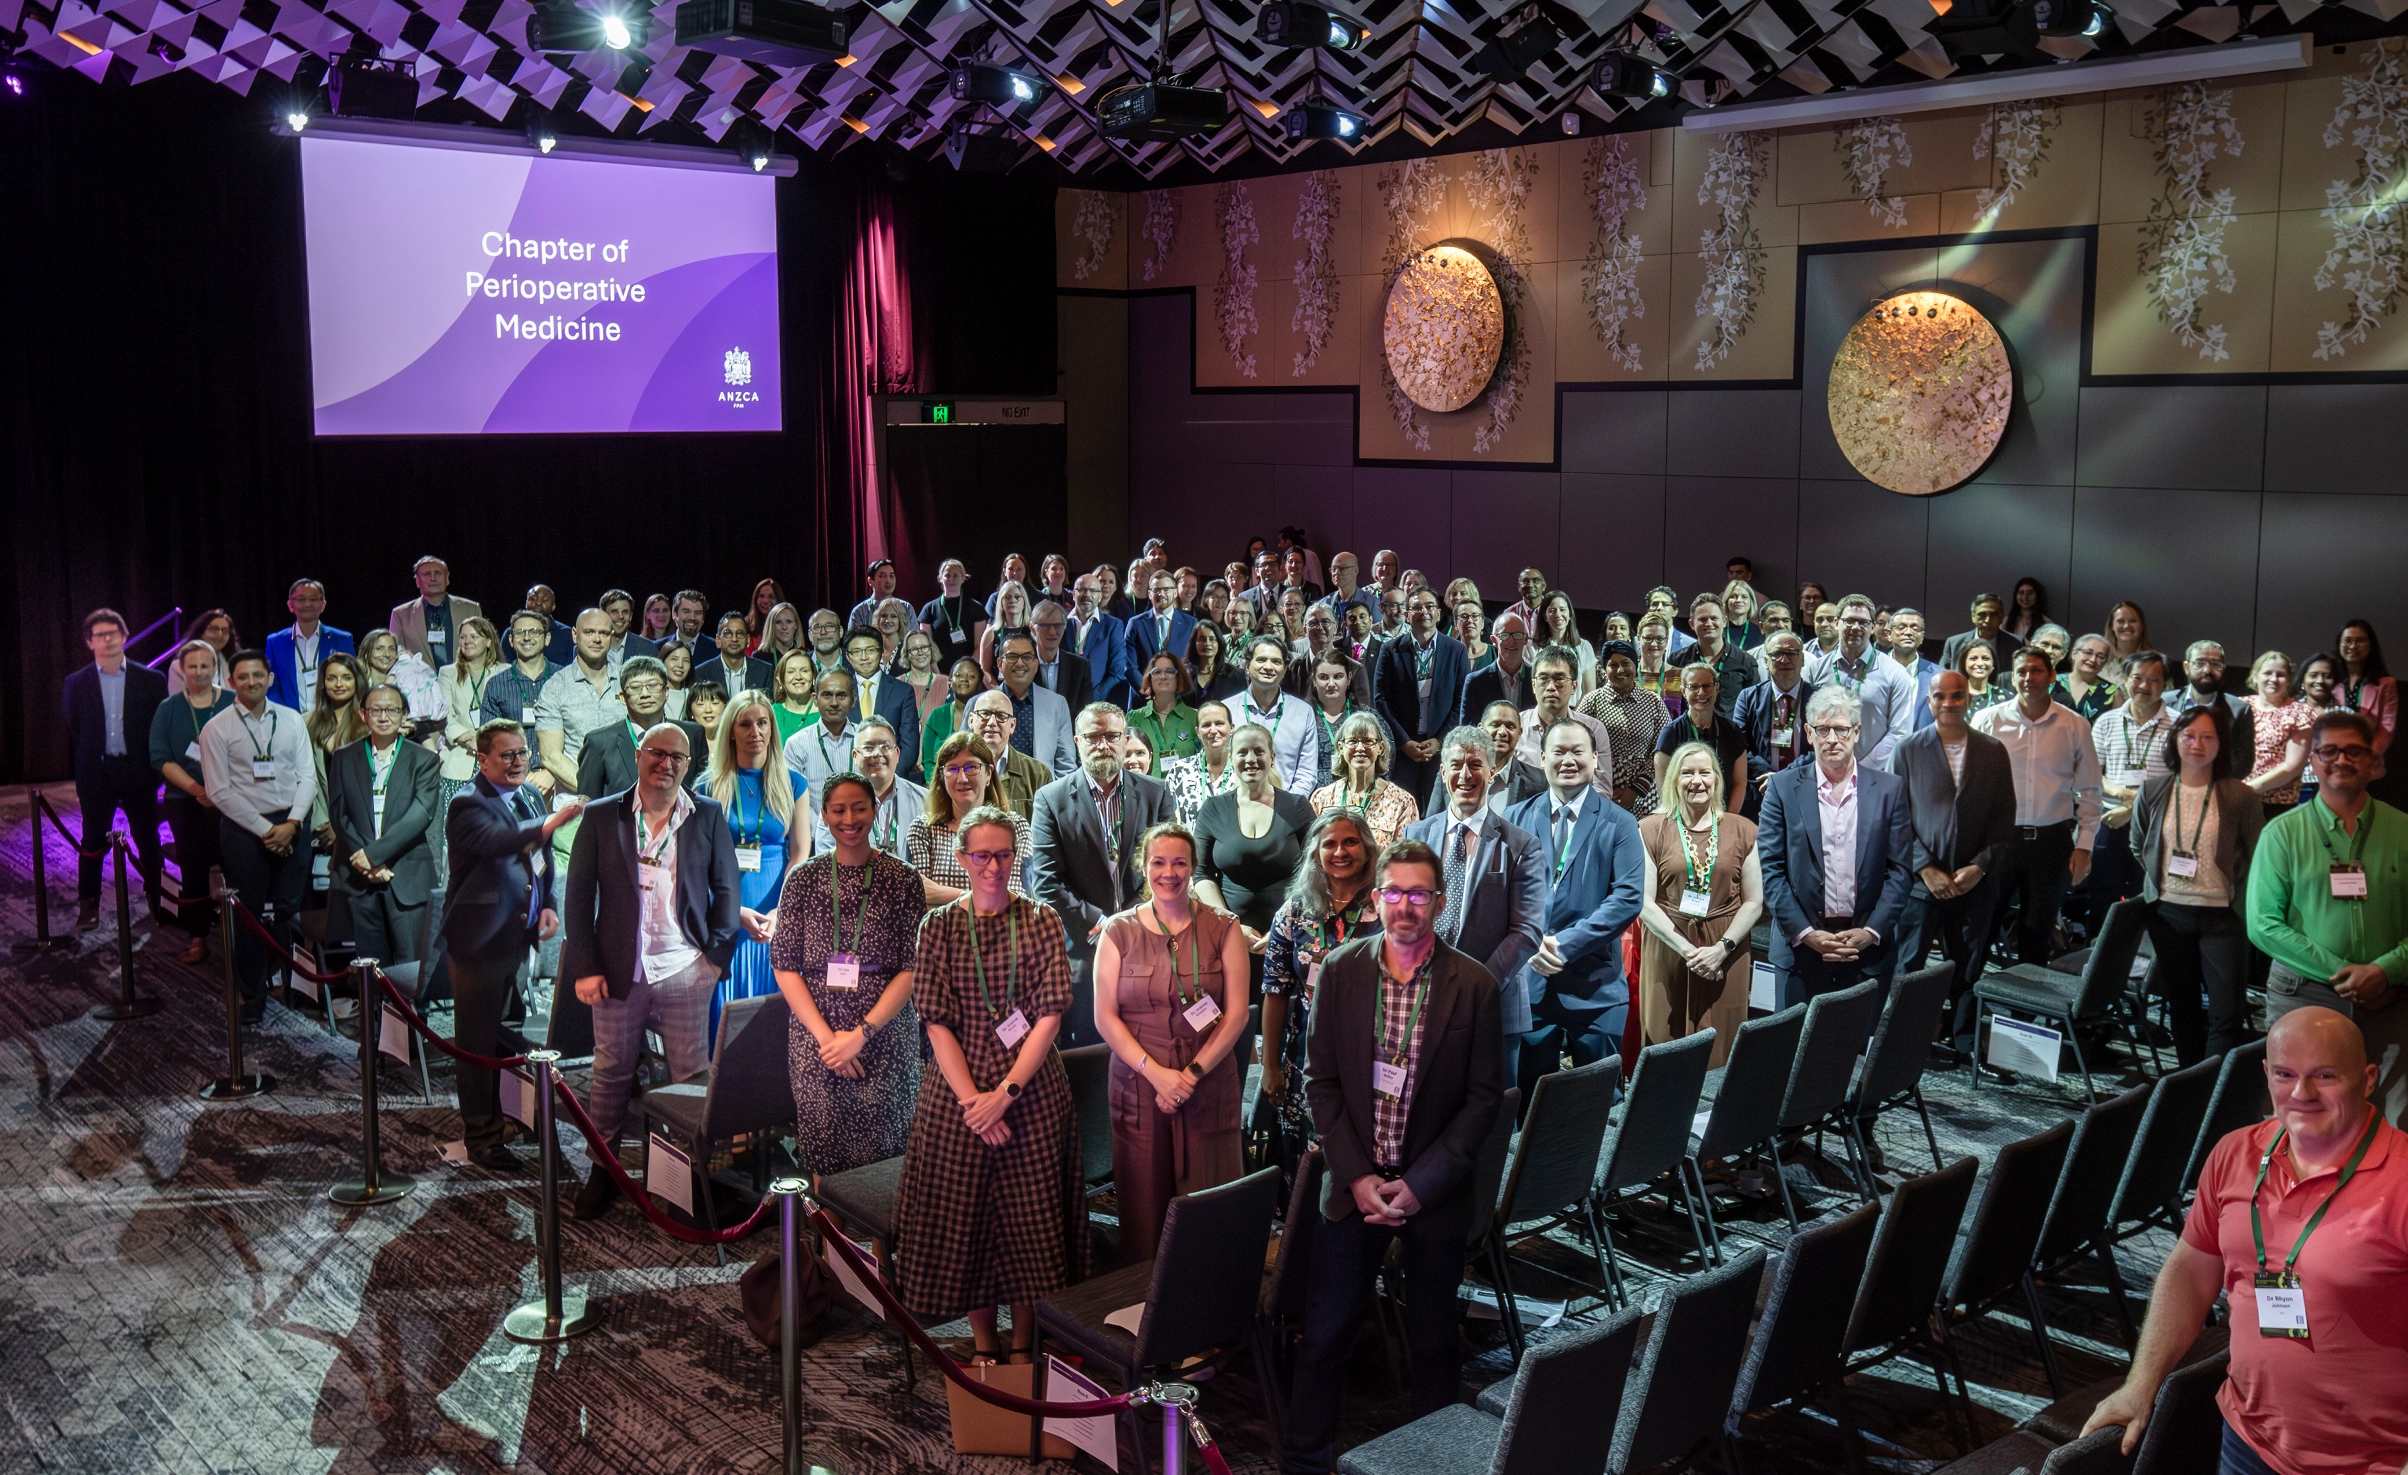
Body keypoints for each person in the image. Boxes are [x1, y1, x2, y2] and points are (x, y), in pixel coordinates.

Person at [2081, 1006, 2408, 1475]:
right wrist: (2140, 1386)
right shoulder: (2235, 1154)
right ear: (2266, 1074)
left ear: (2369, 1078)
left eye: (2326, 1076)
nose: (2302, 1093)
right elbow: (2191, 1273)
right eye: (2285, 1074)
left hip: (2373, 1463)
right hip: (2248, 1442)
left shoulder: (2402, 1181)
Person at [1285, 838, 1503, 1474]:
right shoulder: (1342, 971)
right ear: (1376, 898)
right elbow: (1319, 1083)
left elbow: (1483, 1103)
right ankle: (1304, 1461)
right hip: (1355, 1186)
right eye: (1394, 893)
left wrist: (1421, 1184)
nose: (1405, 906)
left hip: (1430, 1195)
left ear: (1438, 901)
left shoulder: (1475, 986)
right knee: (1325, 1338)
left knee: (1434, 1342)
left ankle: (1427, 1462)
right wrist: (1355, 1177)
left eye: (1419, 894)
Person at [892, 805, 1089, 1363]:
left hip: (1030, 1095)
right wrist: (974, 1103)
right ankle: (983, 1345)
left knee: (1033, 1229)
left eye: (1004, 854)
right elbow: (935, 1021)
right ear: (962, 859)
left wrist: (1004, 1097)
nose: (994, 866)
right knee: (968, 1228)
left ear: (1016, 856)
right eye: (982, 855)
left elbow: (1050, 1016)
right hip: (957, 1098)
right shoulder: (940, 926)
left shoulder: (1042, 919)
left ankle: (1026, 1345)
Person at [561, 722, 742, 1219]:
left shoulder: (706, 814)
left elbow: (727, 889)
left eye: (677, 758)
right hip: (620, 970)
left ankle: (689, 1179)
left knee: (690, 1077)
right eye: (657, 754)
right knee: (610, 1074)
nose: (666, 765)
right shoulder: (602, 815)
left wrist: (715, 962)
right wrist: (586, 967)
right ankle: (604, 1171)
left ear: (689, 766)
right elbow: (577, 898)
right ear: (639, 756)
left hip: (686, 968)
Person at [1090, 822, 1251, 1263]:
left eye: (1180, 862)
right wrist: (1159, 1076)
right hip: (1139, 1087)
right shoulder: (1118, 931)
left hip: (1209, 1084)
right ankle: (1145, 1311)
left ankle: (1210, 1311)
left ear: (1194, 868)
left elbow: (1236, 1014)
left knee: (1210, 1206)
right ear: (1144, 867)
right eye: (1159, 862)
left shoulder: (1224, 928)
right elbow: (1105, 1017)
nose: (1169, 871)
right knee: (1143, 1208)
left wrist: (1191, 1076)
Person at [2249, 710, 2408, 1124]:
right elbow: (2263, 924)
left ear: (2373, 761)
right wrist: (2346, 973)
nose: (2341, 760)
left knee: (2393, 1120)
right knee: (2301, 1116)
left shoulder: (2403, 830)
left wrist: (2384, 970)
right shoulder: (2281, 834)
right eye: (2329, 751)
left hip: (2390, 997)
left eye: (2354, 751)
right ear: (2313, 761)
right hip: (2305, 992)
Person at [771, 770, 924, 1182]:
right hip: (817, 1039)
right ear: (823, 814)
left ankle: (878, 1249)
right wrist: (828, 1041)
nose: (849, 818)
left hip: (886, 1036)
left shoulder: (903, 879)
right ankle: (829, 1247)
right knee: (823, 1155)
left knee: (886, 1160)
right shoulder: (802, 879)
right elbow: (784, 964)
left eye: (859, 807)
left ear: (875, 811)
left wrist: (860, 1036)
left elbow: (912, 968)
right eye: (838, 809)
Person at [441, 721, 579, 1169]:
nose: (520, 761)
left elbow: (542, 862)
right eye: (508, 755)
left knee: (505, 1037)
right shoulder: (466, 803)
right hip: (478, 941)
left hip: (517, 938)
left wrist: (549, 902)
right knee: (477, 1043)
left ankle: (511, 1118)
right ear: (482, 759)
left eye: (523, 753)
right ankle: (481, 1137)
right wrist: (550, 822)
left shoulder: (529, 797)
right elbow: (501, 843)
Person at [1503, 720, 1646, 1103]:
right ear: (1543, 756)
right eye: (1559, 751)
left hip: (1595, 988)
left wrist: (1563, 945)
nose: (1569, 760)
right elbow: (1500, 894)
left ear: (1595, 758)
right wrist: (1531, 944)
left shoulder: (1620, 822)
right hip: (1530, 988)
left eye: (1578, 751)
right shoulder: (1515, 818)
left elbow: (1628, 898)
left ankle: (1600, 1165)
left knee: (1598, 1103)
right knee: (1529, 1105)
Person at [1756, 687, 1915, 1011]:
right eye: (1822, 729)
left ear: (1856, 732)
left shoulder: (1889, 789)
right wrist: (1806, 933)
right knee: (1796, 1053)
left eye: (1841, 729)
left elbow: (1900, 872)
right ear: (1808, 733)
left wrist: (1870, 931)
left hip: (1866, 951)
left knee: (1854, 1055)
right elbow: (1770, 870)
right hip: (1798, 948)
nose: (1832, 738)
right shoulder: (1782, 788)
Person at [1402, 727, 1546, 1079]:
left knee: (1494, 1122)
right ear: (1441, 771)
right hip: (1423, 1003)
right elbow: (1400, 917)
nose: (1465, 775)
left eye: (1475, 764)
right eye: (1455, 765)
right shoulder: (1415, 836)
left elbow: (1527, 932)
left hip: (1492, 1004)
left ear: (1492, 770)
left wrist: (1474, 986)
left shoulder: (1521, 844)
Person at [1031, 704, 1177, 1048]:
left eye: (1111, 736)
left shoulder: (1156, 793)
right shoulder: (1050, 799)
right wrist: (1101, 924)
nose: (1103, 745)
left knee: (1149, 1048)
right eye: (1094, 737)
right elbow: (1046, 881)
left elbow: (1168, 869)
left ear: (1125, 741)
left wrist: (1130, 923)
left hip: (1146, 945)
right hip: (1084, 952)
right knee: (1089, 1054)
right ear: (1078, 742)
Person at [1887, 671, 2018, 1055]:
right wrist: (1925, 868)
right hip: (1920, 882)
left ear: (1968, 699)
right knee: (1908, 967)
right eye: (1940, 696)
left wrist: (1979, 867)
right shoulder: (1908, 750)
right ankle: (1904, 1043)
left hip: (1974, 882)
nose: (1948, 703)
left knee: (1969, 967)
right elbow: (1896, 819)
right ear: (1928, 701)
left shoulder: (1993, 750)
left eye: (1957, 696)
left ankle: (1964, 1044)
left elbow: (2003, 818)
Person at [2131, 703, 2268, 1067]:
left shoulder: (2240, 795)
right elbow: (2139, 843)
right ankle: (2189, 1087)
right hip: (2168, 914)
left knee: (2226, 1013)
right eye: (2189, 735)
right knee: (2183, 1005)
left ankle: (2214, 1091)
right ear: (2174, 739)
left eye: (2208, 737)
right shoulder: (2153, 790)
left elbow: (2259, 856)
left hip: (2222, 916)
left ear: (2221, 744)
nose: (2197, 744)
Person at [197, 649, 316, 1022]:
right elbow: (218, 792)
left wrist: (293, 823)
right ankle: (251, 990)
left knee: (289, 911)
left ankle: (290, 983)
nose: (252, 682)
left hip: (292, 823)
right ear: (231, 682)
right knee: (246, 913)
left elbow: (308, 778)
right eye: (243, 677)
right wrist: (267, 830)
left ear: (270, 678)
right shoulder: (216, 729)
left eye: (258, 675)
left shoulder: (292, 719)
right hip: (246, 830)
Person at [1636, 740, 1765, 1065]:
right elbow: (1644, 902)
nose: (1697, 780)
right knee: (1665, 1046)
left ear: (1717, 779)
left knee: (1722, 1046)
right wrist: (1690, 952)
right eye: (1687, 773)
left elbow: (1754, 902)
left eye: (1704, 772)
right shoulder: (1650, 829)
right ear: (1673, 780)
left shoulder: (1744, 829)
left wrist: (1721, 949)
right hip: (1669, 949)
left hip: (1727, 953)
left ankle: (1714, 1115)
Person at [1976, 647, 2104, 967]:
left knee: (2037, 934)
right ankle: (1965, 1014)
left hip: (2051, 843)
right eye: (2021, 671)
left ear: (2051, 676)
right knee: (1981, 931)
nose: (2027, 678)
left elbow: (2090, 790)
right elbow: (1969, 787)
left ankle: (2024, 1013)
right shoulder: (1987, 720)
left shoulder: (2075, 726)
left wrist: (2084, 846)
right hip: (1999, 841)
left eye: (2035, 671)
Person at [702, 690, 807, 1047]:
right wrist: (734, 911)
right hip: (729, 907)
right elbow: (697, 863)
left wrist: (783, 909)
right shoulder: (707, 786)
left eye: (762, 722)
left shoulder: (793, 782)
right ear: (731, 730)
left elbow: (800, 853)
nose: (755, 731)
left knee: (773, 1016)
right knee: (727, 1021)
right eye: (745, 723)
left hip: (778, 906)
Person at [62, 607, 168, 931]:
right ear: (89, 642)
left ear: (125, 637)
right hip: (98, 774)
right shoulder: (76, 683)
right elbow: (73, 730)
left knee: (147, 838)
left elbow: (157, 728)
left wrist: (155, 772)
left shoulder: (152, 679)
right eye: (100, 635)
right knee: (92, 840)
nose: (107, 640)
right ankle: (88, 906)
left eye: (113, 634)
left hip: (138, 771)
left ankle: (158, 898)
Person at [1193, 723, 1318, 980]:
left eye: (1259, 751)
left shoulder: (1298, 807)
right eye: (1242, 752)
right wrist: (1229, 924)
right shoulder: (1213, 809)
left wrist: (1285, 926)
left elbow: (1314, 871)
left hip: (1291, 937)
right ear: (1231, 757)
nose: (1251, 759)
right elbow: (1201, 873)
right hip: (1227, 938)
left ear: (1272, 758)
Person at [327, 684, 440, 967]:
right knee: (369, 965)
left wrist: (374, 855)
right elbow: (339, 814)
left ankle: (407, 1015)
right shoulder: (344, 757)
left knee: (409, 966)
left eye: (392, 709)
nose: (383, 716)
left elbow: (421, 813)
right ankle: (373, 1013)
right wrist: (365, 861)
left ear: (404, 715)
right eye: (375, 709)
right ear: (363, 714)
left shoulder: (424, 759)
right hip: (358, 874)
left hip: (405, 874)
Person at [150, 640, 233, 962]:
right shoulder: (168, 708)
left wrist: (219, 790)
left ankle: (241, 936)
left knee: (237, 866)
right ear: (182, 669)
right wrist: (198, 790)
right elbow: (160, 757)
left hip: (230, 799)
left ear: (215, 668)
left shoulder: (232, 702)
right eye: (192, 666)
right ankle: (198, 938)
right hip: (184, 800)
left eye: (205, 665)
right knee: (194, 870)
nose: (199, 672)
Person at [1373, 587, 1470, 806]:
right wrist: (1404, 742)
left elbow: (1461, 700)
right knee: (1403, 809)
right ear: (1407, 615)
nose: (1423, 611)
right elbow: (1380, 700)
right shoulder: (1390, 650)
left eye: (1429, 606)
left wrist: (1440, 740)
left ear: (1438, 613)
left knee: (1437, 812)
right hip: (1403, 751)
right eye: (1416, 607)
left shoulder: (1456, 651)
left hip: (1441, 750)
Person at [910, 732, 1030, 906]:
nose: (962, 778)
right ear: (942, 776)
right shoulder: (923, 828)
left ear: (989, 773)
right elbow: (919, 896)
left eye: (971, 767)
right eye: (952, 769)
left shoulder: (1015, 827)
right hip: (941, 932)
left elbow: (1014, 898)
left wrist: (945, 895)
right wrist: (981, 897)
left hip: (1000, 932)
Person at [574, 656, 706, 799]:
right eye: (635, 688)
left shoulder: (692, 734)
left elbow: (702, 795)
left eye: (653, 685)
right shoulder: (599, 743)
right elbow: (586, 808)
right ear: (623, 697)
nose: (645, 694)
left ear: (666, 692)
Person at [533, 608, 621, 806]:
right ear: (575, 635)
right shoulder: (555, 688)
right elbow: (551, 756)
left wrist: (617, 790)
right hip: (573, 804)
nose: (597, 639)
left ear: (611, 637)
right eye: (589, 632)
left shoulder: (628, 682)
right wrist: (596, 790)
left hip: (624, 800)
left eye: (604, 633)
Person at [1580, 639, 1670, 817]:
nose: (1620, 670)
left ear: (1635, 665)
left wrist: (1635, 790)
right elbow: (1577, 745)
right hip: (1599, 788)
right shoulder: (1592, 701)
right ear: (1605, 669)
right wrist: (1601, 786)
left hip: (1645, 792)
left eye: (1625, 663)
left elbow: (1664, 750)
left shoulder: (1653, 702)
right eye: (1613, 665)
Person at [1734, 630, 1816, 818]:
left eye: (1792, 653)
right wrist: (1770, 778)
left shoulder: (1820, 698)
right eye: (1777, 654)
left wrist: (1783, 778)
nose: (1784, 660)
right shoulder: (1747, 698)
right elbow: (1739, 746)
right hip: (1760, 791)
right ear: (1766, 661)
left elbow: (1821, 746)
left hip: (1806, 788)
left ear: (1802, 659)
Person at [1311, 710, 1422, 848]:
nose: (1360, 748)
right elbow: (1313, 854)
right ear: (1341, 747)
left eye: (1368, 741)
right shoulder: (1321, 799)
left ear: (1380, 747)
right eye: (1352, 741)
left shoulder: (1402, 802)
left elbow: (1405, 858)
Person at [1655, 663, 1750, 813]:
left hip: (1724, 817)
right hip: (1682, 820)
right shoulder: (1670, 733)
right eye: (1693, 687)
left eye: (1707, 686)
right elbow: (1664, 788)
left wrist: (1729, 819)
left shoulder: (1732, 731)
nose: (1701, 692)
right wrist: (1683, 822)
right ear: (1683, 692)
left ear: (1717, 688)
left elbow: (1740, 782)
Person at [988, 629, 1079, 777]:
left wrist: (1050, 797)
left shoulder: (1057, 704)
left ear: (1036, 664)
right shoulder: (978, 704)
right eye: (1012, 656)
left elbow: (1066, 764)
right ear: (999, 664)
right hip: (993, 793)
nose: (1019, 663)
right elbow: (967, 755)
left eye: (1027, 657)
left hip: (1042, 794)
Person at [2334, 620, 2403, 808]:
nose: (2353, 646)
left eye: (2360, 641)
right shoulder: (2331, 680)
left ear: (2370, 646)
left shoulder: (2385, 683)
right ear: (2339, 645)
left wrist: (2361, 758)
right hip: (2332, 765)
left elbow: (2386, 729)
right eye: (2347, 640)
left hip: (2367, 767)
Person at [839, 627, 922, 782]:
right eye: (856, 652)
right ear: (848, 657)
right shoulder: (840, 691)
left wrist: (889, 776)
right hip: (848, 778)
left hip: (891, 779)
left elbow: (909, 743)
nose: (864, 657)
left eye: (870, 650)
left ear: (882, 652)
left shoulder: (902, 691)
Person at [2237, 651, 2314, 814]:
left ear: (2289, 680)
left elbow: (2292, 767)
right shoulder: (2240, 706)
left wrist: (2248, 789)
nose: (2273, 679)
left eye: (2280, 675)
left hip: (2276, 806)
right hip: (2235, 800)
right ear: (2255, 676)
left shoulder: (2300, 713)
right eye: (2267, 673)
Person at [963, 685, 1057, 816]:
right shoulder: (953, 769)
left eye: (1001, 716)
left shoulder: (1038, 774)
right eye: (985, 714)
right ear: (971, 721)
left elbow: (1047, 830)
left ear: (1012, 725)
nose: (992, 722)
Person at [266, 579, 352, 714]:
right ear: (290, 605)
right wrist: (290, 718)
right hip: (290, 721)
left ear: (323, 605)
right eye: (301, 599)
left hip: (332, 719)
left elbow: (350, 682)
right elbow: (272, 687)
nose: (308, 604)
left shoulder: (341, 639)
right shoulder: (275, 642)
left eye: (313, 599)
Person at [389, 555, 482, 665]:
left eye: (438, 573)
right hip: (420, 679)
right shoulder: (400, 614)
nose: (433, 578)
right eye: (427, 574)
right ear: (417, 581)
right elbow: (394, 649)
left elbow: (482, 646)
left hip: (463, 678)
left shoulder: (471, 609)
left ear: (447, 578)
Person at [480, 610, 560, 731]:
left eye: (534, 632)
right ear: (511, 640)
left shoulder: (563, 678)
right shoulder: (496, 684)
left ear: (547, 638)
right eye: (520, 632)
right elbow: (489, 737)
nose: (527, 637)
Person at [1160, 701, 1239, 824]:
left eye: (1219, 724)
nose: (1213, 730)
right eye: (1206, 725)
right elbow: (1167, 819)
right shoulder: (1179, 770)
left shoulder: (1243, 769)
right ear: (1197, 732)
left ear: (1232, 728)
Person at [356, 627, 447, 734]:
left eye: (391, 649)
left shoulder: (403, 682)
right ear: (366, 653)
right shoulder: (357, 683)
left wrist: (413, 727)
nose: (386, 654)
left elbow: (437, 717)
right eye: (379, 649)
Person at [1127, 651, 1201, 761]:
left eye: (1169, 671)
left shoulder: (1195, 717)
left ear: (1179, 677)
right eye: (1156, 672)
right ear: (1150, 679)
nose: (1163, 676)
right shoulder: (1134, 718)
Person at [920, 655, 984, 779]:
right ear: (950, 682)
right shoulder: (937, 715)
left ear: (980, 683)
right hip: (938, 786)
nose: (964, 679)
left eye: (971, 676)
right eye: (958, 675)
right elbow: (928, 761)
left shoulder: (986, 716)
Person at [919, 558, 987, 673]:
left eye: (956, 575)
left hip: (968, 673)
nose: (951, 579)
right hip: (938, 673)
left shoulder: (976, 608)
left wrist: (968, 670)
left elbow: (979, 646)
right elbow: (926, 647)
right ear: (941, 579)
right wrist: (938, 675)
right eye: (947, 575)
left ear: (963, 578)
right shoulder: (929, 609)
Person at [695, 610, 772, 698]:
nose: (734, 639)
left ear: (748, 640)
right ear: (718, 640)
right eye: (728, 634)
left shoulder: (765, 671)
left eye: (740, 634)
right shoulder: (702, 673)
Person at [1940, 591, 2023, 672]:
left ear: (2002, 617)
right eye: (1982, 615)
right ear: (1973, 617)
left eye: (1993, 615)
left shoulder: (2015, 644)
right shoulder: (1954, 644)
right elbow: (1941, 676)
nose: (1987, 620)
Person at [2054, 632, 2123, 720]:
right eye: (2088, 653)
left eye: (2100, 657)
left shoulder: (2113, 692)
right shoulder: (2050, 682)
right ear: (2074, 653)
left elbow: (2118, 727)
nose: (2093, 659)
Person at [2179, 640, 2245, 719]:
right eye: (2199, 663)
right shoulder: (2166, 701)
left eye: (2215, 664)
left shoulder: (2240, 709)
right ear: (2186, 668)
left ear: (2223, 668)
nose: (2207, 670)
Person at [524, 584, 577, 666]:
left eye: (544, 600)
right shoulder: (512, 633)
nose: (538, 602)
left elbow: (571, 668)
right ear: (526, 603)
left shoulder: (567, 634)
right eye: (533, 598)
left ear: (553, 606)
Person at [2103, 600, 2152, 685]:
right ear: (2112, 626)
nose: (2126, 626)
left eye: (2133, 621)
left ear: (2142, 626)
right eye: (2121, 621)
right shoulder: (2100, 661)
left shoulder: (2156, 662)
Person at [1957, 638, 2006, 716]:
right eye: (1973, 659)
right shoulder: (1954, 697)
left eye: (1986, 658)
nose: (1980, 663)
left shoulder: (2006, 698)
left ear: (1993, 664)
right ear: (1964, 664)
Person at [2002, 576, 2049, 643]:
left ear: (2037, 596)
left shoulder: (2046, 624)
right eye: (2021, 592)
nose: (2025, 597)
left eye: (2030, 593)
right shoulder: (2006, 621)